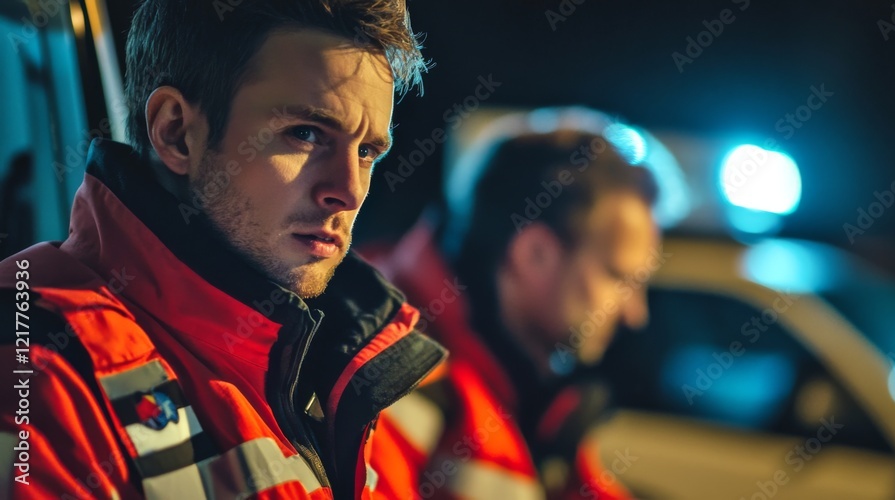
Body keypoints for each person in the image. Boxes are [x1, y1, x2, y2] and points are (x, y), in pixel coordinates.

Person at [0, 1, 445, 498]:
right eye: (305, 134)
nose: (350, 191)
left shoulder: (338, 371)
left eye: (366, 152)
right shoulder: (35, 365)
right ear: (176, 133)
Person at [366, 108, 665, 499]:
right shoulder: (392, 377)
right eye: (618, 278)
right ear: (534, 255)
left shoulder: (527, 385)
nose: (635, 314)